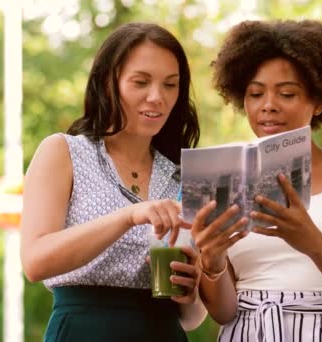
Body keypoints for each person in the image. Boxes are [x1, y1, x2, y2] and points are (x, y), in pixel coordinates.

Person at [191, 20, 322, 341]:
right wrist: (212, 262)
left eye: (287, 93)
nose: (268, 105)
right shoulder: (222, 176)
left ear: (319, 102)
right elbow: (224, 313)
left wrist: (309, 239)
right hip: (246, 331)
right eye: (255, 93)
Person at [20, 22, 207, 341]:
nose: (156, 97)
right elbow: (35, 262)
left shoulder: (185, 175)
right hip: (83, 330)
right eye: (141, 82)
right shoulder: (64, 152)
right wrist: (128, 216)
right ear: (108, 82)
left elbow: (192, 318)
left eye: (170, 85)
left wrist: (191, 292)